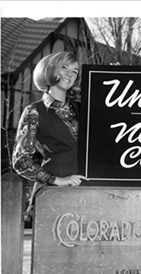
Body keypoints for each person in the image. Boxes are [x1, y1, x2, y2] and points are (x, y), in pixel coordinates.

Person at [12, 51, 88, 210]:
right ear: (50, 70)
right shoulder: (34, 111)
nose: (70, 74)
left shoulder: (84, 110)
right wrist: (56, 180)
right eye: (64, 68)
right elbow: (21, 161)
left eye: (75, 71)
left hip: (86, 195)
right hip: (51, 195)